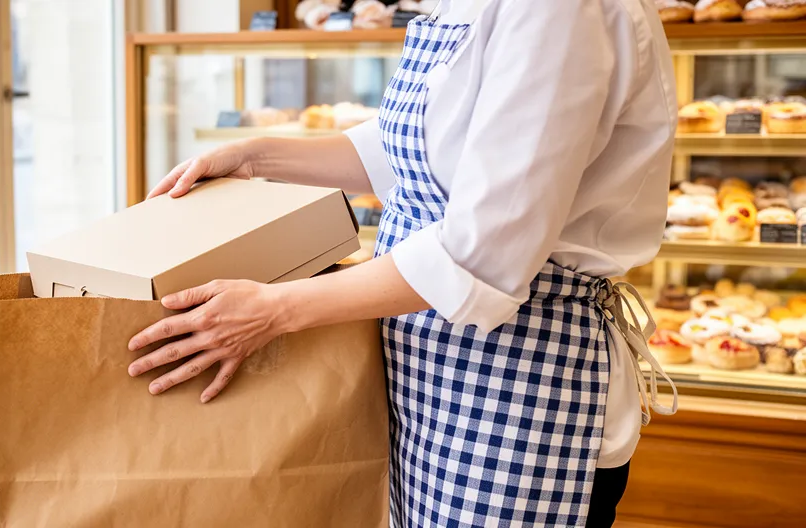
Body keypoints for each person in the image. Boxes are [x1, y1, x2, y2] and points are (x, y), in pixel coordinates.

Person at [127, 0, 679, 525]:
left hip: (519, 393)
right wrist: (254, 156)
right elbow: (407, 154)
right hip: (431, 376)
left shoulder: (558, 12)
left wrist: (273, 309)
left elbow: (480, 252)